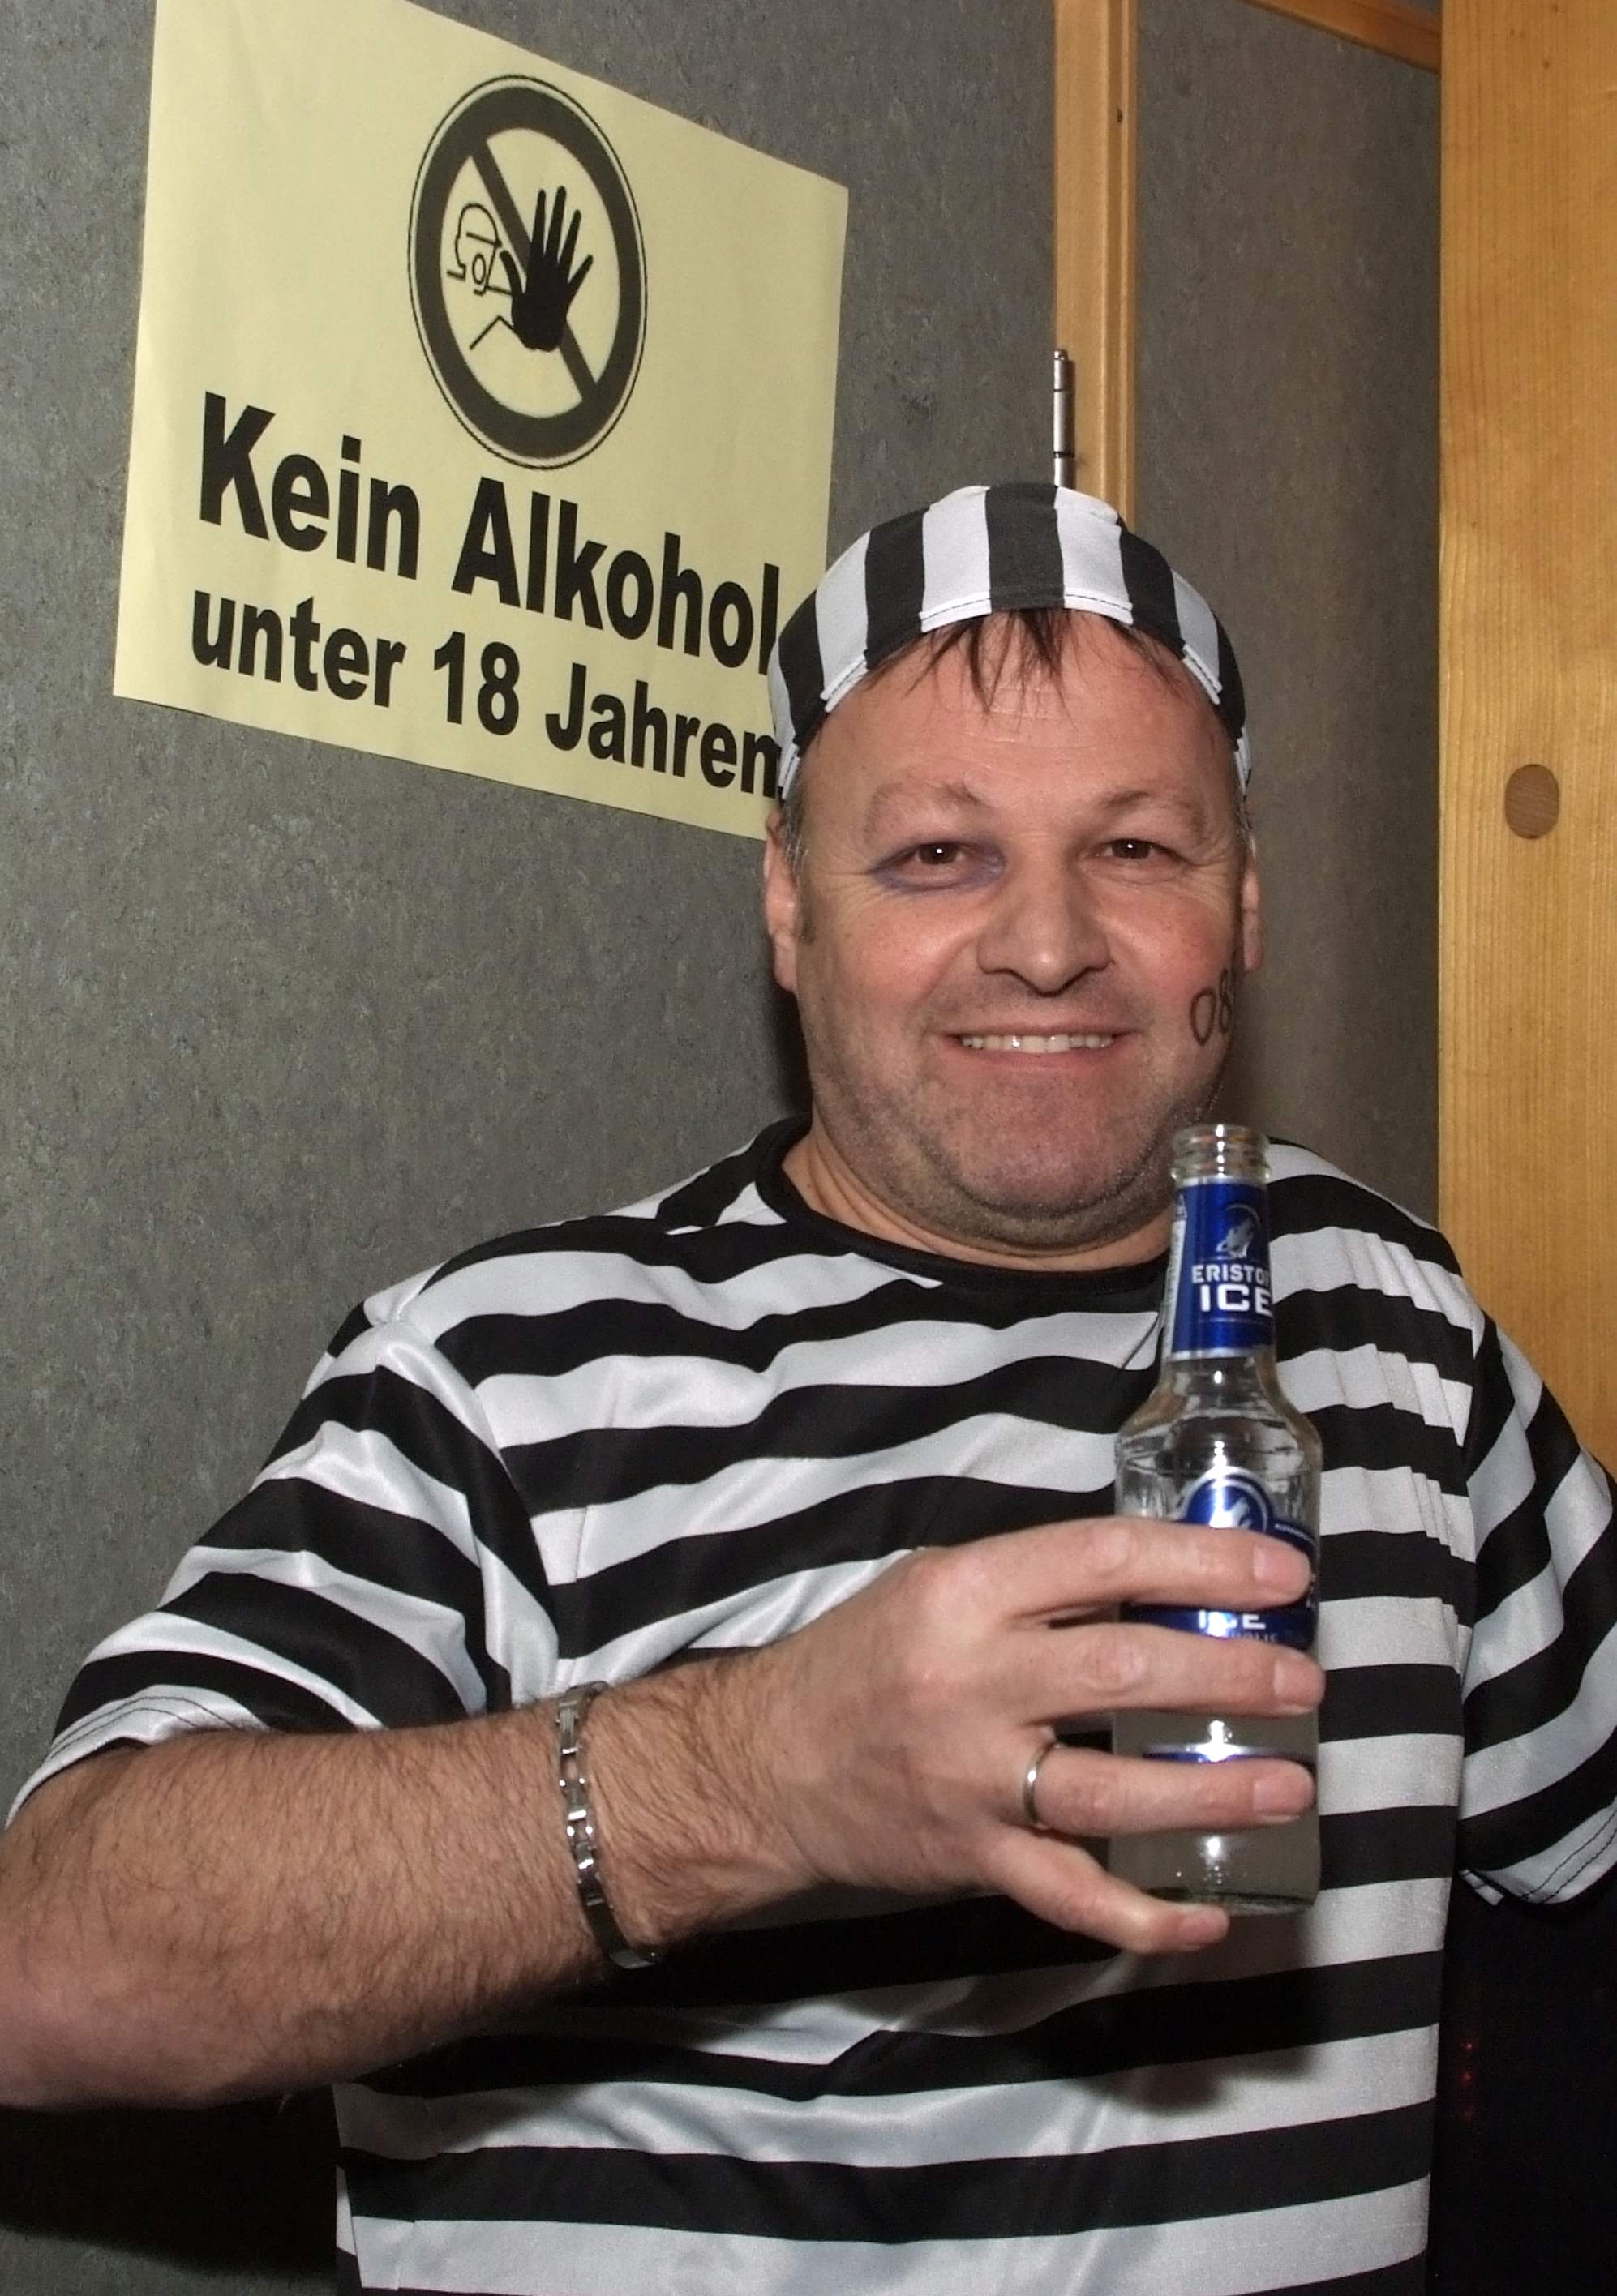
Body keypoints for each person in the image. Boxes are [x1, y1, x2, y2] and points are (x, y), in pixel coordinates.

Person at [2, 482, 1612, 2296]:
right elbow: (54, 1971)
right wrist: (742, 1780)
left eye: (1135, 847)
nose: (1047, 941)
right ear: (787, 901)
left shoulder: (1395, 1328)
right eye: (936, 854)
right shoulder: (518, 1372)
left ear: (1241, 897)